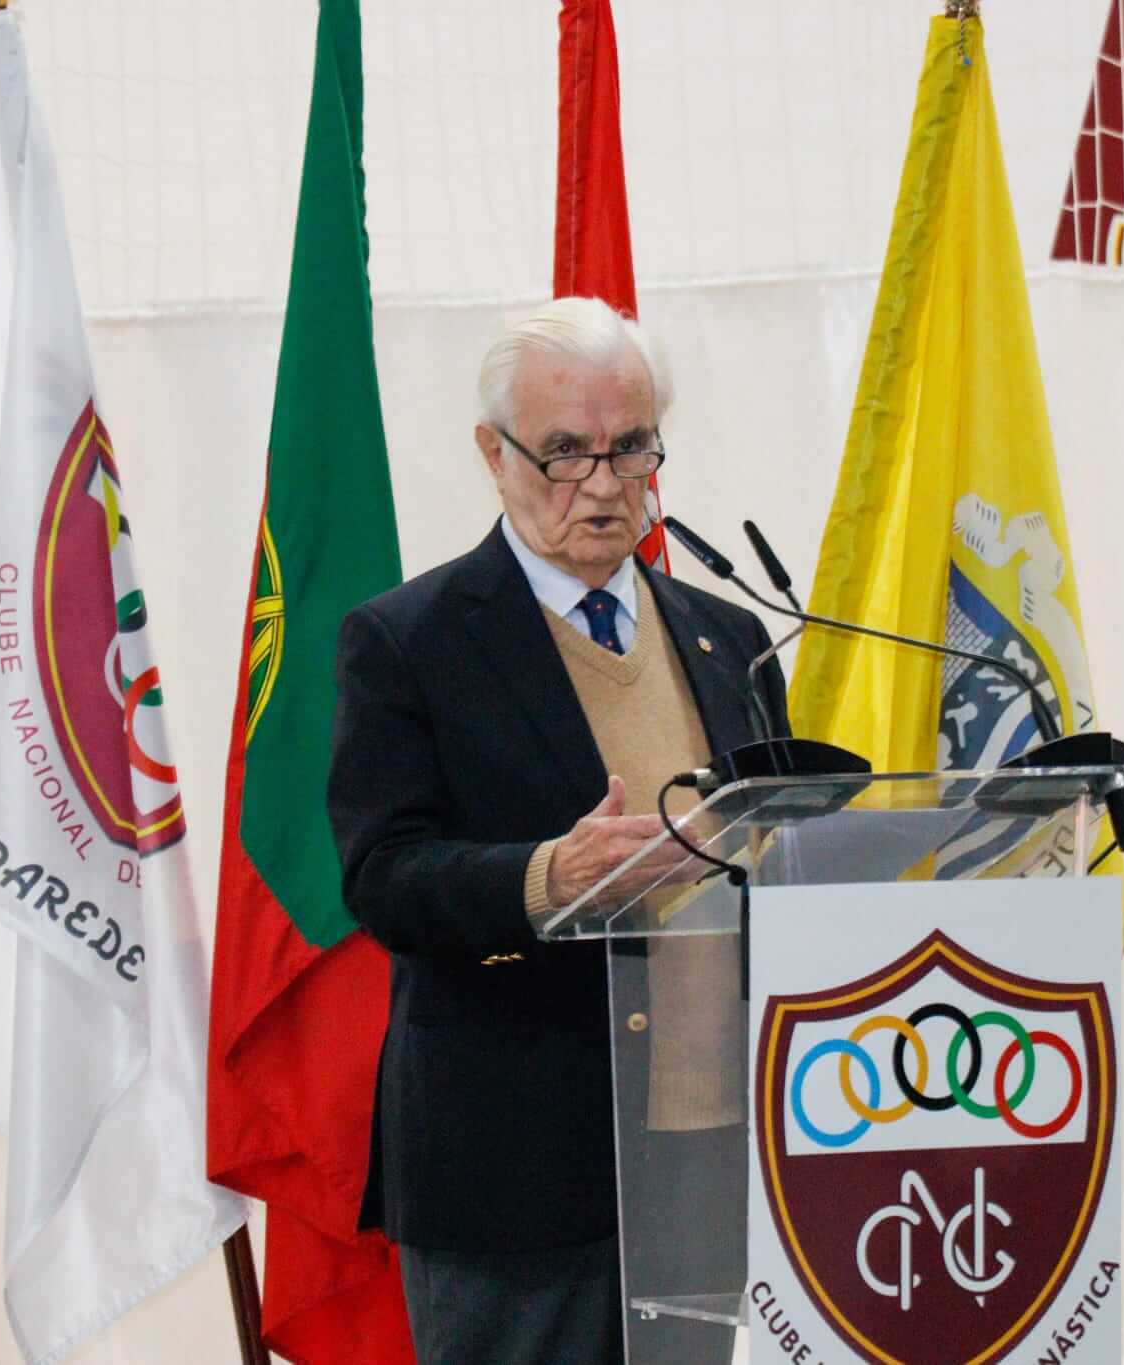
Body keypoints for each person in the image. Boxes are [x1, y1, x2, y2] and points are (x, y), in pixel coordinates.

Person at [327, 296, 790, 1364]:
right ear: (493, 454)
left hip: (716, 1153)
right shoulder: (409, 641)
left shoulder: (731, 637)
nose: (604, 484)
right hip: (518, 1174)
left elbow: (774, 850)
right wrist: (546, 877)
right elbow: (381, 875)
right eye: (565, 452)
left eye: (631, 448)